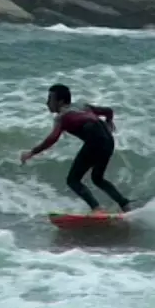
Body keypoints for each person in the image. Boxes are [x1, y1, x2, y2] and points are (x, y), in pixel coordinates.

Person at [20, 83, 131, 213]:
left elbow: (52, 138)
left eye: (50, 99)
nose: (47, 103)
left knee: (73, 180)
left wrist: (32, 152)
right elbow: (108, 111)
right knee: (97, 178)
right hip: (108, 141)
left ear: (60, 102)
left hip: (95, 141)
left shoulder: (61, 117)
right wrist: (109, 122)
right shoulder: (83, 106)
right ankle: (125, 205)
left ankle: (97, 209)